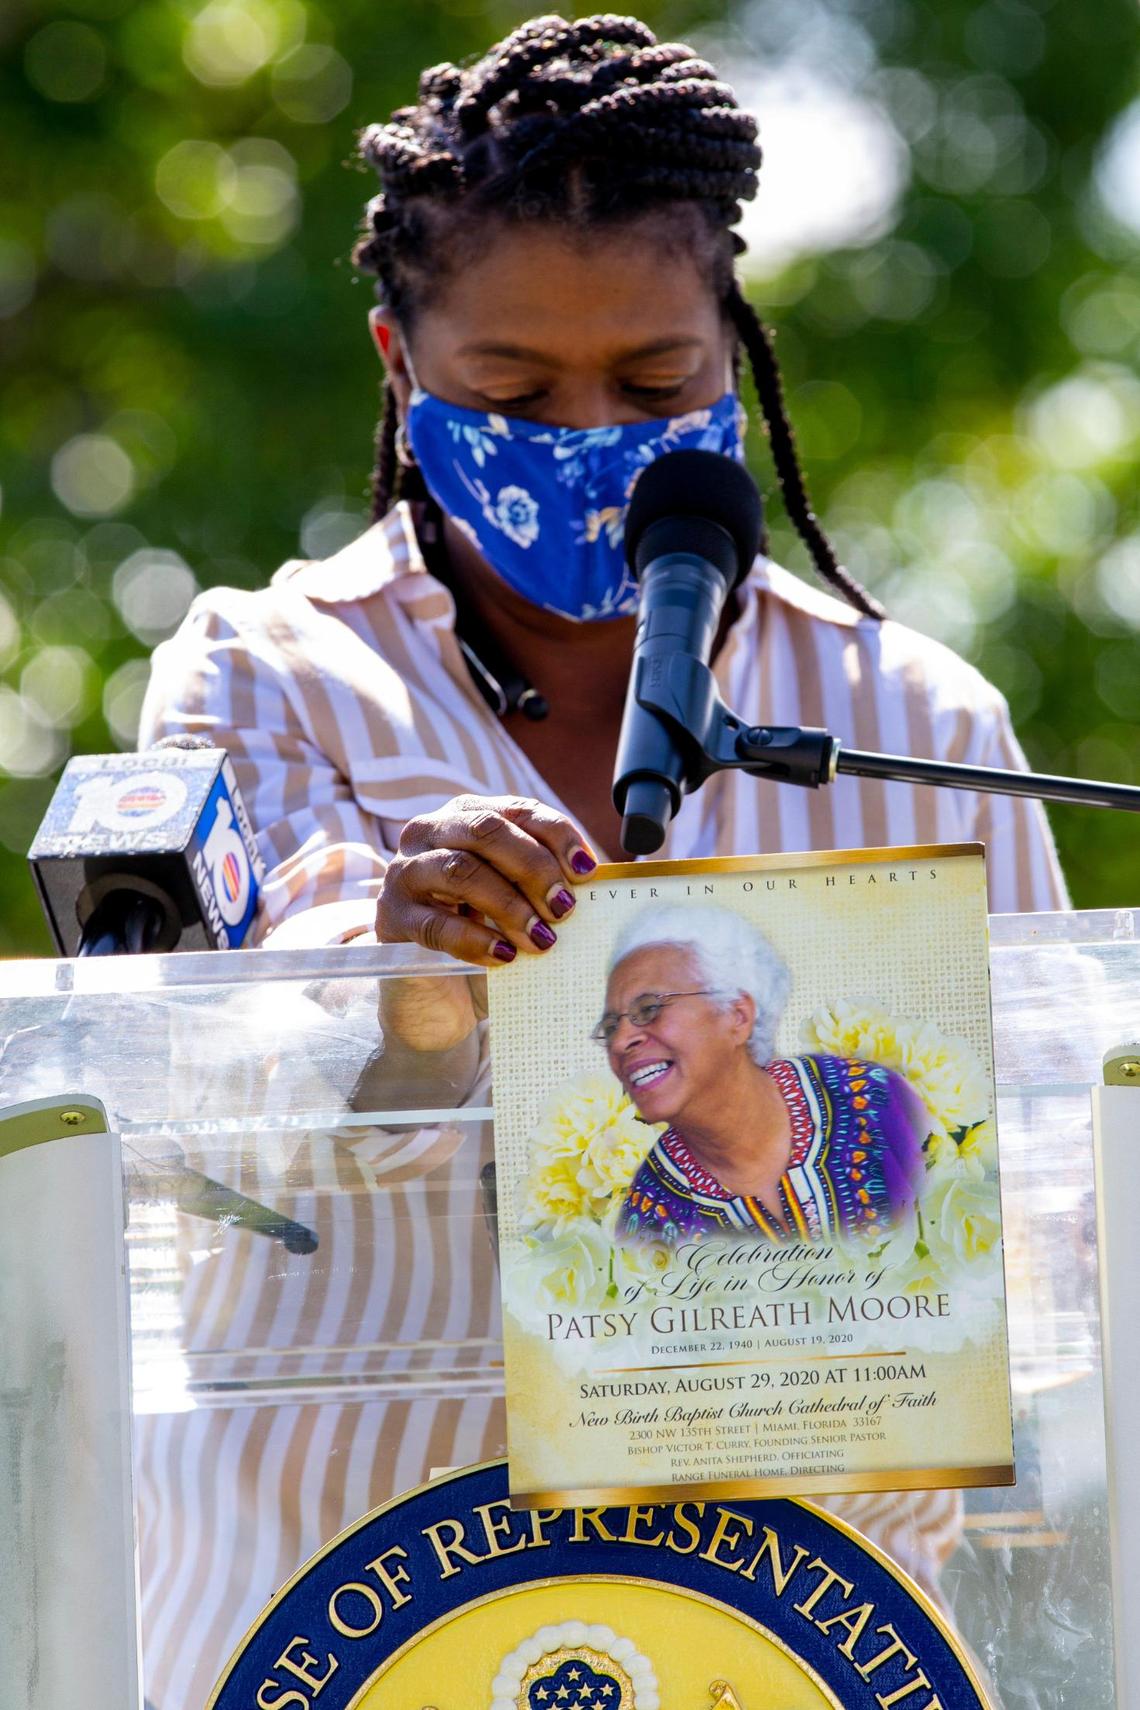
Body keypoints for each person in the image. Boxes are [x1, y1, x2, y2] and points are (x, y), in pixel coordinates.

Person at [137, 14, 1068, 1705]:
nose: (587, 434)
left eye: (654, 387)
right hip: (337, 1642)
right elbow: (199, 1145)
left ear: (739, 357)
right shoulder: (260, 677)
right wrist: (401, 1001)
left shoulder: (913, 717)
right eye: (509, 391)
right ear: (397, 366)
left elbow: (1066, 1212)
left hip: (795, 1655)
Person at [602, 906, 926, 1244]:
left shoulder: (872, 1102)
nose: (622, 1041)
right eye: (610, 1027)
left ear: (737, 1016)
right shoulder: (649, 1214)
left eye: (650, 1009)